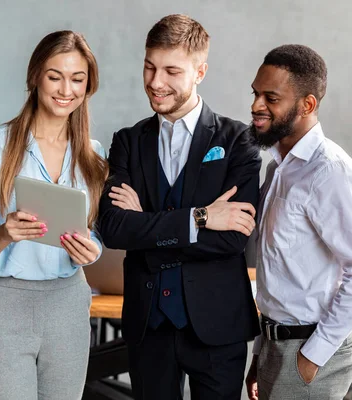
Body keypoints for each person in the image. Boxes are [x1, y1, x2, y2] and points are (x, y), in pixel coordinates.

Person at [97, 14, 261, 399]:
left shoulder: (239, 141)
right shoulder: (128, 142)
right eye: (150, 67)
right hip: (147, 324)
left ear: (200, 71)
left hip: (217, 327)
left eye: (171, 70)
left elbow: (233, 239)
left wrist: (147, 226)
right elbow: (114, 227)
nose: (155, 82)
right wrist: (201, 218)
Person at [0, 30, 108, 399]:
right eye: (54, 76)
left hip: (69, 303)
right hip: (4, 304)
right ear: (35, 78)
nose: (66, 89)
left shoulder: (92, 154)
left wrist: (93, 252)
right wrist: (5, 234)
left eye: (77, 79)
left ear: (88, 86)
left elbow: (96, 238)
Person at [244, 45, 352, 400]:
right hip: (278, 346)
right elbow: (278, 271)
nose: (256, 106)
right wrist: (261, 351)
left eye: (270, 98)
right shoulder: (278, 167)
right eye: (256, 94)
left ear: (307, 105)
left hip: (311, 353)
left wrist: (312, 357)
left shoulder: (329, 171)